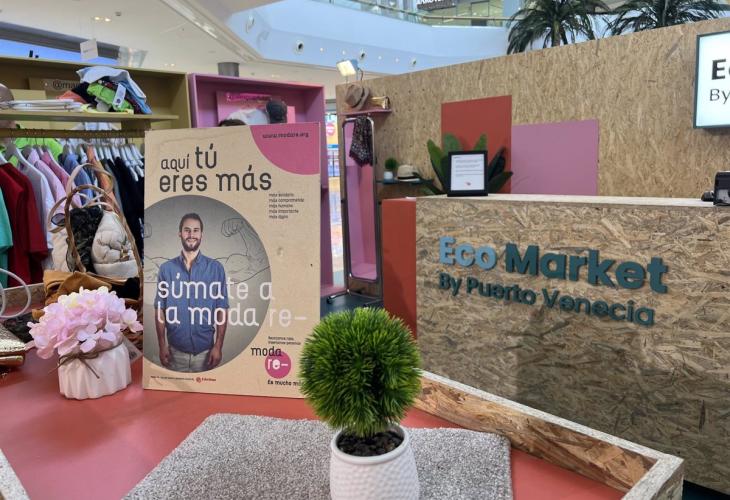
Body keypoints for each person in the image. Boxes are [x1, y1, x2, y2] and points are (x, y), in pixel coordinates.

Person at [154, 213, 229, 372]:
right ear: (180, 233)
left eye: (196, 230)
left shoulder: (216, 269)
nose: (191, 234)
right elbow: (160, 309)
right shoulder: (166, 269)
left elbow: (221, 309)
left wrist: (218, 346)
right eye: (187, 230)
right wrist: (161, 345)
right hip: (174, 354)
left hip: (206, 355)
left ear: (202, 234)